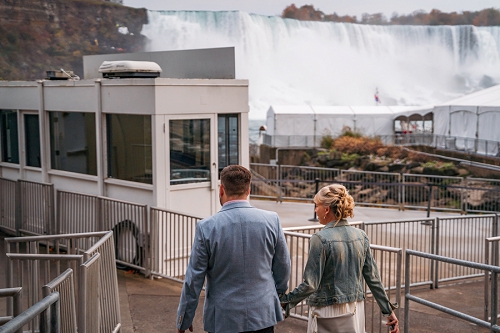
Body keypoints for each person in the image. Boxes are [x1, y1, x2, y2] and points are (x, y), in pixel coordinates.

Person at [176, 165, 291, 333]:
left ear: (221, 189)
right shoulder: (271, 220)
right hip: (262, 315)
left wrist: (184, 318)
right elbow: (283, 265)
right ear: (249, 190)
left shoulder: (206, 227)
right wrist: (278, 293)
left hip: (223, 319)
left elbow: (194, 279)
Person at [280, 184, 399, 333]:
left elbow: (311, 284)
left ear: (327, 209)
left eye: (317, 205)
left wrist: (286, 301)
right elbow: (373, 278)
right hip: (355, 309)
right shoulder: (361, 236)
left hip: (326, 311)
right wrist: (388, 311)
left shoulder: (320, 238)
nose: (316, 210)